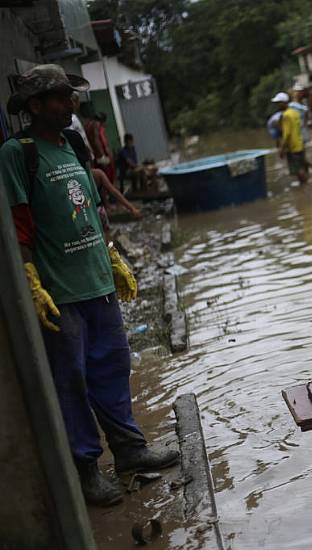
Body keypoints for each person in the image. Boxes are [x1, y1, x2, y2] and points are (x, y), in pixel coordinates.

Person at [1, 64, 178, 507]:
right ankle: (86, 467)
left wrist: (112, 256)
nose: (71, 104)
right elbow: (18, 226)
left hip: (97, 283)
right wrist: (31, 280)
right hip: (60, 293)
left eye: (70, 95)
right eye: (61, 97)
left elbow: (93, 209)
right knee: (72, 381)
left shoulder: (73, 145)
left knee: (113, 369)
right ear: (35, 105)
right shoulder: (17, 153)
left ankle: (131, 451)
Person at [272, 91, 309, 184]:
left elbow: (286, 134)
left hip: (293, 147)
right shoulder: (295, 112)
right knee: (302, 166)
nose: (277, 105)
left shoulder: (286, 116)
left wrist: (282, 149)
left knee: (297, 170)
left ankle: (306, 189)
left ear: (284, 103)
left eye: (278, 103)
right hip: (300, 144)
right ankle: (306, 185)